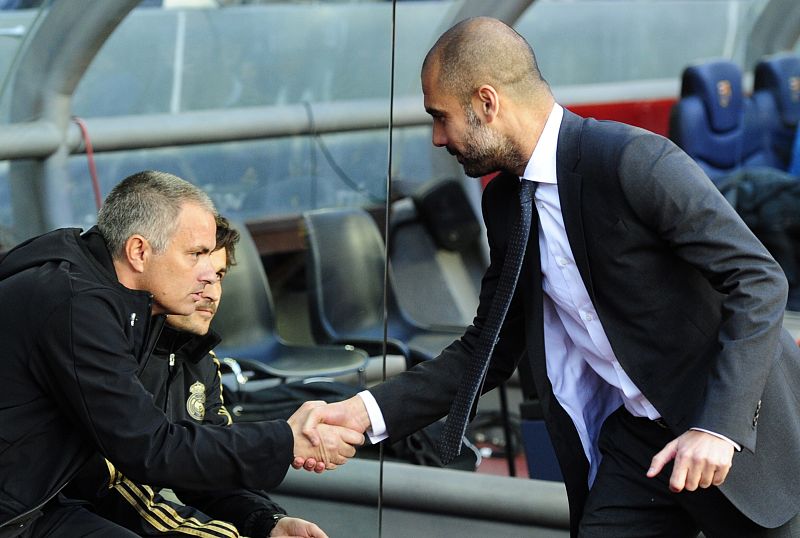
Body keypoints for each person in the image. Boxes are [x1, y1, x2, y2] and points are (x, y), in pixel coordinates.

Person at [296, 17, 800, 537]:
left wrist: (718, 426)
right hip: (640, 443)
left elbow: (759, 279)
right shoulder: (504, 202)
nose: (438, 137)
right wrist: (363, 412)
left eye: (441, 116)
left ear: (487, 103)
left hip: (735, 437)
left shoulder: (632, 160)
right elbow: (485, 348)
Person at [0, 170, 361, 536]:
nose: (209, 277)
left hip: (40, 506)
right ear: (139, 251)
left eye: (216, 267)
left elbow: (185, 452)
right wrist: (286, 439)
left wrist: (264, 522)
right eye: (196, 255)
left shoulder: (143, 315)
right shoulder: (76, 305)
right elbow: (146, 447)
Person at [65, 215, 327, 537]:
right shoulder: (110, 352)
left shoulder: (201, 359)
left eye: (218, 276)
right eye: (198, 274)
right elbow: (112, 487)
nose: (212, 292)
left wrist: (267, 522)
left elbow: (209, 472)